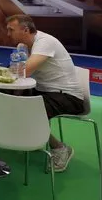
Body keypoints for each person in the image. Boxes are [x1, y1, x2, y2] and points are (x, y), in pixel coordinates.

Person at [5, 15, 84, 172]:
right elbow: (16, 72)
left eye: (11, 30)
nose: (8, 34)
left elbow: (23, 71)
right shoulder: (23, 45)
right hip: (45, 91)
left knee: (26, 110)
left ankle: (60, 148)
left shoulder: (44, 42)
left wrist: (12, 74)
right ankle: (33, 136)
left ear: (25, 30)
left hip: (68, 96)